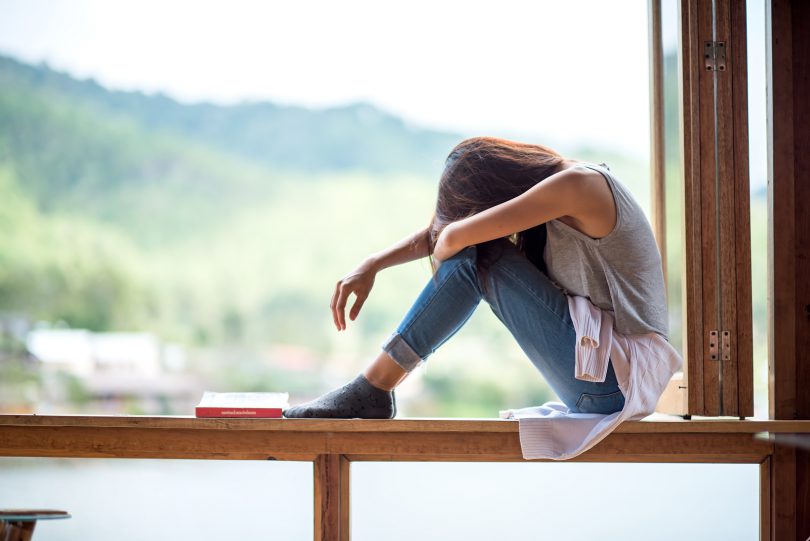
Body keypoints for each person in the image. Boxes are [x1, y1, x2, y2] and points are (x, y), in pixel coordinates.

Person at [282, 136, 669, 419]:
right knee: (477, 248)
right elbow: (443, 236)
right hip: (611, 379)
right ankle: (372, 389)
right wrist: (373, 263)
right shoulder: (561, 188)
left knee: (481, 252)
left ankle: (373, 387)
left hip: (615, 382)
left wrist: (458, 238)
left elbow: (453, 240)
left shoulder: (579, 186)